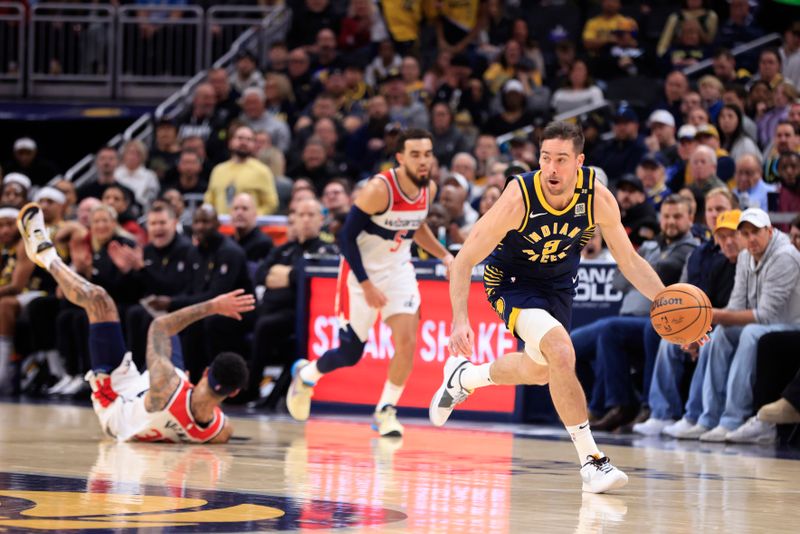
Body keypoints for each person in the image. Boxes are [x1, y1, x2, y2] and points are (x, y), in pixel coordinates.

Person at [430, 122, 681, 494]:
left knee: (539, 370)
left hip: (558, 286)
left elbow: (628, 260)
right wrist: (459, 320)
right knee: (562, 349)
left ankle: (464, 378)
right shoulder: (519, 197)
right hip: (512, 282)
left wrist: (667, 303)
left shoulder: (596, 197)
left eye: (561, 160)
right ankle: (592, 461)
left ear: (579, 162)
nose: (551, 168)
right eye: (546, 158)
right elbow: (464, 259)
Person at [16, 202, 253, 442]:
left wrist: (213, 306)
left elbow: (159, 327)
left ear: (205, 372)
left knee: (100, 301)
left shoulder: (165, 385)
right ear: (232, 393)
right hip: (151, 396)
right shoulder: (220, 431)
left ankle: (45, 255)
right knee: (168, 333)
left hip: (116, 401)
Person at [286, 129, 454, 437]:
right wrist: (366, 284)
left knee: (407, 342)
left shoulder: (428, 188)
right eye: (415, 155)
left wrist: (445, 255)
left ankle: (385, 410)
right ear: (401, 158)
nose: (423, 161)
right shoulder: (380, 189)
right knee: (351, 354)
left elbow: (416, 227)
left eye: (427, 154)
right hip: (359, 273)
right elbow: (346, 237)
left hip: (399, 270)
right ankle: (307, 375)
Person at [204, 126, 279, 216]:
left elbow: (271, 204)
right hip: (220, 227)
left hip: (248, 227)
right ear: (230, 142)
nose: (243, 142)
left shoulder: (262, 171)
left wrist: (252, 216)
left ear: (254, 145)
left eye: (249, 139)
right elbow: (209, 201)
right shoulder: (218, 170)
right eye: (239, 138)